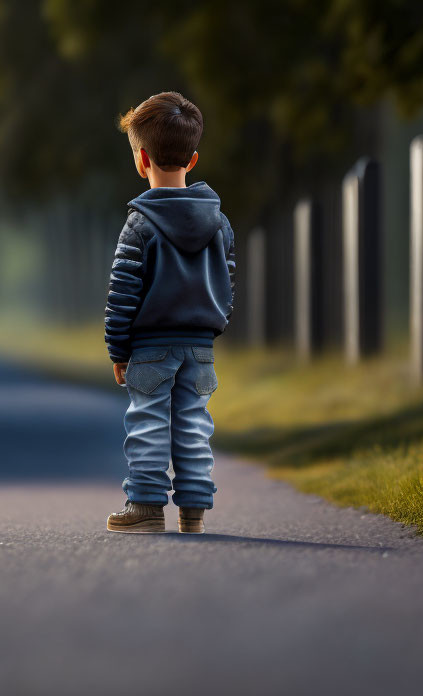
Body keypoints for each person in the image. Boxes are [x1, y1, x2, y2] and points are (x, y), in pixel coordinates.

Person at [105, 91, 235, 534]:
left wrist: (118, 348)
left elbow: (122, 293)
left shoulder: (139, 224)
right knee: (194, 426)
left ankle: (145, 508)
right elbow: (226, 279)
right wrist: (214, 322)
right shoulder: (219, 223)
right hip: (200, 346)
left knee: (148, 425)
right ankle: (194, 511)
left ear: (141, 160)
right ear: (193, 160)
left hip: (150, 348)